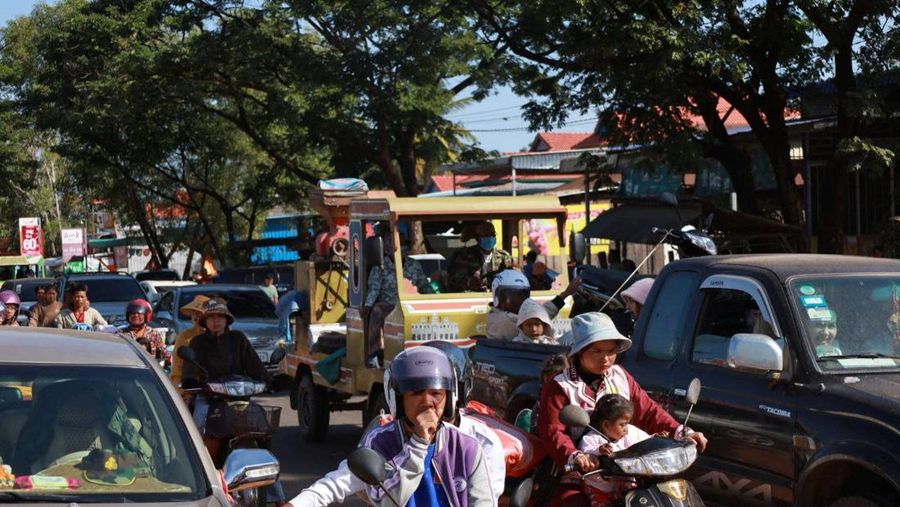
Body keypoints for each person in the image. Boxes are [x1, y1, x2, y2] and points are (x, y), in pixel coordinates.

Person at [288, 345, 506, 507]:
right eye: (416, 393)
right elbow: (372, 495)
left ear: (450, 398)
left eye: (436, 394)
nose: (427, 402)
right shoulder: (382, 442)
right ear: (398, 399)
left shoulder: (469, 446)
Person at [539, 312, 707, 506]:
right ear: (580, 352)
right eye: (597, 351)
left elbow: (649, 411)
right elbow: (553, 430)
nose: (606, 358)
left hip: (629, 470)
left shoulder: (620, 375)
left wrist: (682, 432)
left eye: (611, 351)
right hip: (582, 472)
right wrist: (578, 457)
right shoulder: (560, 385)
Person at [181, 298, 268, 434]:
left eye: (220, 317)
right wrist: (189, 380)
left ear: (227, 319)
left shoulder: (238, 338)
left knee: (261, 425)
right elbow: (189, 367)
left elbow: (254, 364)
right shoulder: (197, 342)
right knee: (199, 421)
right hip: (208, 397)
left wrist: (269, 380)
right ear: (205, 322)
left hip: (239, 395)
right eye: (211, 318)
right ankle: (202, 454)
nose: (216, 321)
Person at [361, 231, 430, 368]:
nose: (401, 247)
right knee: (376, 311)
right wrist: (368, 305)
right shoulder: (381, 267)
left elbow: (424, 285)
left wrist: (434, 299)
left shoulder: (413, 265)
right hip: (389, 305)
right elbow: (374, 288)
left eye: (404, 244)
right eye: (397, 244)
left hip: (410, 305)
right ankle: (373, 354)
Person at [577, 394, 653, 506]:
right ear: (606, 425)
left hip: (626, 484)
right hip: (600, 488)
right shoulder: (592, 438)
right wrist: (599, 451)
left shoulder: (630, 432)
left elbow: (646, 441)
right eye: (622, 424)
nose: (626, 429)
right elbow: (586, 451)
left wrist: (657, 438)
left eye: (627, 423)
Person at [486, 269, 581, 340]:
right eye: (513, 298)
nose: (519, 301)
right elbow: (538, 316)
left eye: (522, 296)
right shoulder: (500, 320)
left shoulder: (515, 316)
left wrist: (565, 294)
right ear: (497, 296)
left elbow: (539, 313)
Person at [447, 221, 513, 292]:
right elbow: (453, 279)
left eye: (492, 234)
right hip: (471, 297)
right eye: (486, 235)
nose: (490, 238)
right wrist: (469, 282)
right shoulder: (464, 255)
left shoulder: (504, 256)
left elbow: (511, 276)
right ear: (478, 238)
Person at [170, 294, 209, 388]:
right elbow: (177, 367)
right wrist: (182, 390)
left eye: (200, 313)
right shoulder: (185, 336)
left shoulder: (224, 334)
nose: (196, 316)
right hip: (192, 387)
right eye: (194, 312)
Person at [117, 299, 171, 366]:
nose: (136, 315)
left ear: (146, 315)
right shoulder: (121, 334)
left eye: (139, 313)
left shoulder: (154, 334)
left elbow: (164, 353)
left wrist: (170, 359)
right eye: (132, 313)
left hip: (149, 369)